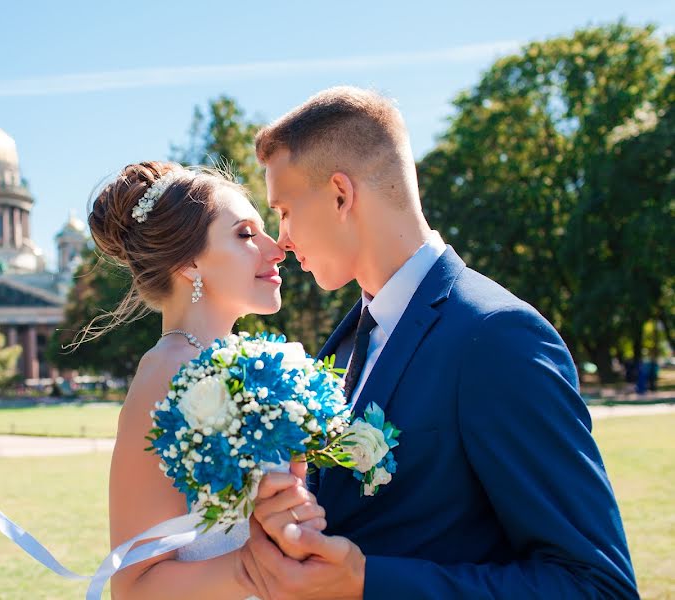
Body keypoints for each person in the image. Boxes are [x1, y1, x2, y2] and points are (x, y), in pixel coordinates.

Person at [237, 86, 638, 599]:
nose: (281, 239)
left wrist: (369, 583)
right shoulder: (340, 347)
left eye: (286, 211)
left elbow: (596, 586)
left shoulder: (497, 338)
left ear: (341, 194)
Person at [81, 162, 320, 599]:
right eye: (246, 235)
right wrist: (254, 566)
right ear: (190, 261)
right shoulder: (166, 374)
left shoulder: (251, 364)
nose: (276, 249)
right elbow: (135, 587)